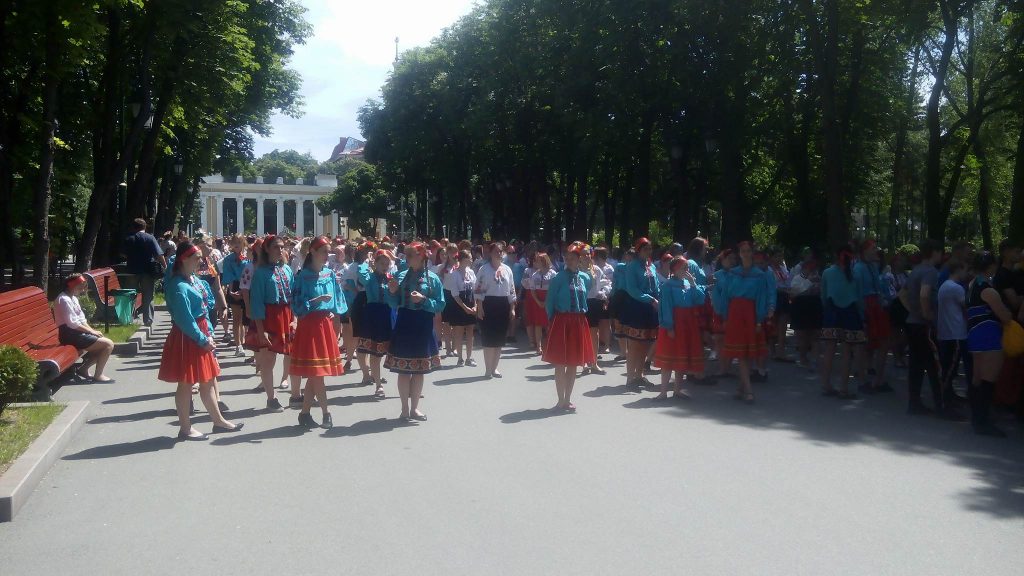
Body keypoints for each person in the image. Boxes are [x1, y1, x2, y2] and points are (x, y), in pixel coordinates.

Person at [158, 242, 241, 440]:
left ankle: (218, 421)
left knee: (208, 380)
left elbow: (206, 307)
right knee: (186, 383)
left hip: (200, 333)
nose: (200, 260)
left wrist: (209, 333)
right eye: (196, 257)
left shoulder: (193, 280)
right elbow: (184, 319)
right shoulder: (179, 287)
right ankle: (185, 428)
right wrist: (203, 338)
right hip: (188, 337)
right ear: (183, 259)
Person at [291, 236, 347, 429]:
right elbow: (297, 305)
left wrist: (337, 320)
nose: (327, 255)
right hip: (309, 326)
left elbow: (338, 299)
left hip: (325, 324)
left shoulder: (329, 274)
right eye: (323, 251)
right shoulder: (302, 276)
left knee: (317, 373)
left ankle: (305, 413)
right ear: (312, 252)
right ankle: (326, 413)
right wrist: (315, 301)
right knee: (317, 374)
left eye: (328, 251)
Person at [385, 242, 445, 421]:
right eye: (406, 255)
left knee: (419, 370)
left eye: (410, 255)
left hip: (423, 324)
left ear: (421, 257)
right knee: (404, 370)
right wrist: (392, 291)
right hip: (405, 322)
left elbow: (440, 304)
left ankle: (414, 409)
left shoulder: (432, 278)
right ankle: (404, 409)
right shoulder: (400, 275)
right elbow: (392, 303)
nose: (406, 258)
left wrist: (424, 300)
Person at [903, 239, 959, 418]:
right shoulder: (930, 272)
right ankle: (942, 406)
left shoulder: (915, 271)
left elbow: (901, 293)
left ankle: (915, 403)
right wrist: (926, 314)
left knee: (916, 365)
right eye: (940, 252)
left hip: (912, 323)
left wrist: (913, 310)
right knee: (936, 366)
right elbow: (925, 294)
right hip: (923, 326)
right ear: (934, 252)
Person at [714, 241, 771, 403]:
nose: (746, 253)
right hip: (735, 314)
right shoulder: (733, 273)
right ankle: (749, 391)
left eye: (748, 251)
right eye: (743, 251)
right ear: (739, 254)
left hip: (751, 313)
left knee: (747, 352)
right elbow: (725, 296)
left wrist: (760, 319)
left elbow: (761, 298)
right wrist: (724, 316)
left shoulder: (759, 275)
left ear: (752, 253)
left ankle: (741, 388)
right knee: (742, 354)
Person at [966, 251, 1014, 437]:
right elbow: (1005, 316)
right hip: (989, 334)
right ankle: (983, 422)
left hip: (975, 334)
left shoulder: (971, 285)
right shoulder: (988, 289)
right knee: (989, 379)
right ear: (991, 266)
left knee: (977, 378)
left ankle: (977, 418)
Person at [542, 242, 595, 411]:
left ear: (579, 260)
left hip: (578, 321)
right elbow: (549, 302)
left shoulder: (584, 278)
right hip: (562, 321)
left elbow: (590, 284)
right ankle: (560, 400)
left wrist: (589, 266)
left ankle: (568, 399)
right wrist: (551, 321)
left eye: (573, 258)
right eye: (568, 258)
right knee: (560, 362)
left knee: (573, 363)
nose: (570, 261)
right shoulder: (558, 278)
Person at [245, 235, 295, 410]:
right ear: (266, 249)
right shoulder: (261, 273)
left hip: (286, 316)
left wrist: (294, 319)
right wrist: (260, 330)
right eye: (276, 247)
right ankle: (271, 398)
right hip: (269, 317)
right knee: (269, 359)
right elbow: (256, 302)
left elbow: (293, 296)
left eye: (282, 247)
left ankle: (294, 392)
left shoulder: (287, 269)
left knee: (291, 354)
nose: (280, 250)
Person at [653, 257, 707, 400]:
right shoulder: (668, 286)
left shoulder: (688, 284)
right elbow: (666, 307)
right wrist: (669, 326)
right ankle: (663, 392)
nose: (686, 271)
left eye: (687, 267)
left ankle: (677, 390)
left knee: (681, 358)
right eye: (683, 268)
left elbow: (700, 300)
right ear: (674, 269)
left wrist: (693, 284)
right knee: (669, 358)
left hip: (687, 324)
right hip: (674, 323)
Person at [819, 245, 866, 399]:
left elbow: (823, 296)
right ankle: (843, 388)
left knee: (829, 350)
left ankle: (826, 384)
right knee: (847, 352)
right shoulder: (855, 275)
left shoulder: (827, 273)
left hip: (832, 311)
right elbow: (859, 298)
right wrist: (862, 315)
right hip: (850, 313)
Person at [54, 274, 114, 382]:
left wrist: (93, 331)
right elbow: (72, 323)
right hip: (69, 334)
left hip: (75, 333)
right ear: (71, 286)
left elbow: (81, 319)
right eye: (80, 286)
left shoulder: (73, 298)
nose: (82, 289)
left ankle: (84, 369)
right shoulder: (63, 299)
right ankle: (98, 375)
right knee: (108, 345)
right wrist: (91, 331)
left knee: (104, 344)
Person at [619, 238, 660, 391]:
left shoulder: (652, 266)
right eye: (645, 249)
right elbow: (632, 289)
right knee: (635, 344)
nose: (649, 252)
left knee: (645, 343)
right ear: (638, 251)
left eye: (650, 249)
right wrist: (650, 299)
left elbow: (656, 286)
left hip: (650, 308)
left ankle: (640, 375)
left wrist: (659, 298)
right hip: (637, 307)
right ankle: (630, 377)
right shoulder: (632, 267)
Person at [854, 239, 892, 393]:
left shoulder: (873, 266)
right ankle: (863, 380)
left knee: (883, 342)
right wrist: (862, 315)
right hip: (867, 307)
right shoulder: (858, 268)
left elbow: (880, 288)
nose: (876, 250)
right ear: (864, 251)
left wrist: (884, 281)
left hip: (877, 305)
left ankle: (878, 379)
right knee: (864, 345)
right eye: (873, 248)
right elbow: (859, 293)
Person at [359, 250, 397, 399]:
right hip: (373, 314)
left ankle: (410, 385)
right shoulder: (370, 277)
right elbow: (361, 274)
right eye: (382, 263)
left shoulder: (390, 278)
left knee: (389, 350)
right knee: (375, 352)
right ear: (375, 263)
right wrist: (366, 261)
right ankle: (378, 385)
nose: (385, 266)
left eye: (387, 264)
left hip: (387, 313)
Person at [475, 242, 516, 378]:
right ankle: (488, 369)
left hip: (502, 304)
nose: (499, 253)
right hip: (488, 304)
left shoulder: (507, 270)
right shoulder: (484, 269)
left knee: (499, 339)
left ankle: (495, 368)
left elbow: (511, 290)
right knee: (488, 338)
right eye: (496, 251)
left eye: (501, 251)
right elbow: (479, 289)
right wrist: (479, 307)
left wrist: (512, 308)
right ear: (490, 253)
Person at [937, 260, 971, 406]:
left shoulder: (944, 286)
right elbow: (966, 307)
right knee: (950, 369)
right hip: (956, 332)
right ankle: (945, 401)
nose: (967, 274)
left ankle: (948, 395)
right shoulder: (957, 288)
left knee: (948, 366)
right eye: (966, 270)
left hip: (947, 332)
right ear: (959, 269)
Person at [123, 218, 165, 327]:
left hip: (132, 271)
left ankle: (130, 318)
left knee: (131, 295)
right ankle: (148, 319)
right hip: (148, 271)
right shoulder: (150, 238)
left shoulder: (129, 238)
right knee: (148, 296)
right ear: (144, 227)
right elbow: (159, 254)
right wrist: (165, 266)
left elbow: (123, 254)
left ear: (133, 227)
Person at [443, 249, 478, 367]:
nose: (472, 259)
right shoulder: (454, 274)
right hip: (459, 305)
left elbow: (475, 290)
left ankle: (469, 357)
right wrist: (464, 308)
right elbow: (455, 294)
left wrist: (475, 306)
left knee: (470, 332)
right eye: (469, 257)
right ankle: (460, 358)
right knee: (458, 332)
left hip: (471, 301)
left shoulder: (471, 272)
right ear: (463, 259)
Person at [580, 249, 610, 375]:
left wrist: (604, 293)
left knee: (594, 333)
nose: (587, 256)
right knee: (582, 333)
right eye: (583, 254)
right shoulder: (576, 269)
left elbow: (606, 283)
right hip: (581, 302)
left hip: (594, 303)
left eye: (588, 253)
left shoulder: (596, 269)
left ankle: (594, 363)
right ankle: (583, 362)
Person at [788, 259, 822, 370]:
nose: (812, 271)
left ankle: (814, 360)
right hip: (801, 308)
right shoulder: (797, 279)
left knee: (815, 335)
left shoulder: (818, 278)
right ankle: (803, 358)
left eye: (814, 268)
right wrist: (809, 282)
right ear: (804, 268)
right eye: (809, 268)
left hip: (815, 307)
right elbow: (794, 293)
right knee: (803, 336)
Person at [221, 234, 248, 357]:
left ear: (244, 243)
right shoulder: (228, 259)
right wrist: (231, 290)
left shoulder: (248, 257)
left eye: (239, 241)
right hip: (235, 286)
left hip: (247, 287)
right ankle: (238, 346)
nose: (237, 244)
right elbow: (228, 276)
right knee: (237, 318)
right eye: (234, 242)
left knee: (245, 318)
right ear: (231, 244)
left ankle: (245, 340)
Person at [523, 253, 556, 355]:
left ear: (544, 261)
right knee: (538, 324)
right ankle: (539, 346)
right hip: (538, 300)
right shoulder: (535, 275)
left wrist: (546, 302)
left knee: (549, 324)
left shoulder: (553, 273)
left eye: (538, 260)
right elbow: (532, 289)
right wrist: (538, 301)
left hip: (549, 300)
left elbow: (554, 289)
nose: (535, 262)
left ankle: (550, 345)